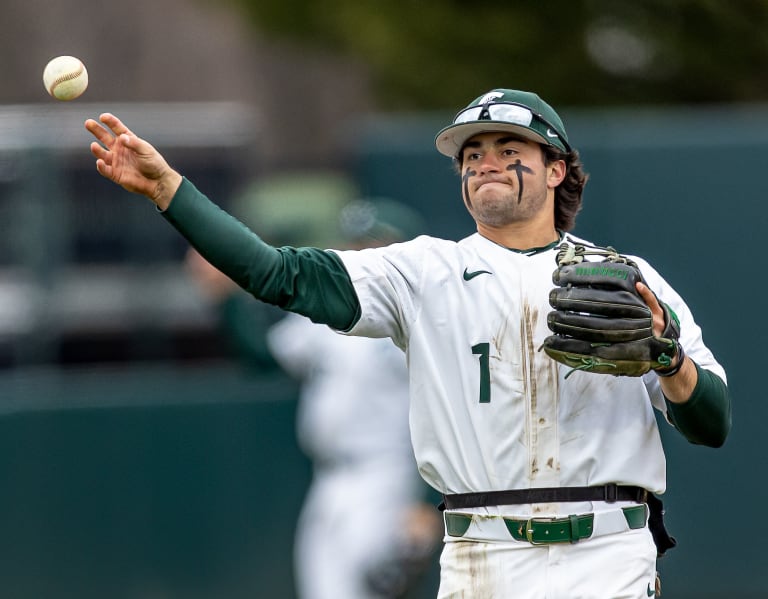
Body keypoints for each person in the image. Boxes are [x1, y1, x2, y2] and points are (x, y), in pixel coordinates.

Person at [84, 87, 731, 599]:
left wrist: (667, 356)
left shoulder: (627, 279)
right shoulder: (422, 272)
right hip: (483, 557)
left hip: (607, 554)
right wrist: (171, 191)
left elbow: (713, 421)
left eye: (509, 148)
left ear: (557, 169)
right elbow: (276, 275)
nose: (486, 163)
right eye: (472, 154)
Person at [185, 199, 442, 599]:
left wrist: (427, 503)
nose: (361, 255)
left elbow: (444, 417)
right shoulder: (330, 314)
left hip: (385, 478)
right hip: (327, 480)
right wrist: (226, 299)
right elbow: (265, 357)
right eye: (355, 245)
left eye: (375, 244)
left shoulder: (420, 322)